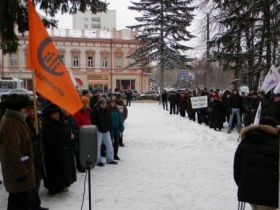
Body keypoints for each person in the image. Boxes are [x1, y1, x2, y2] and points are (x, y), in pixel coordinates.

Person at [234, 116, 279, 210]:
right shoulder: (276, 144)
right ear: (272, 128)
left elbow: (237, 169)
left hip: (248, 192)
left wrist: (245, 184)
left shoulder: (245, 141)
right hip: (268, 196)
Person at [0, 94, 36, 210]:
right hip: (18, 173)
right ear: (19, 108)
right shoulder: (11, 123)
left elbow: (19, 141)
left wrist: (32, 138)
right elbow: (12, 152)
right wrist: (21, 172)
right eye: (24, 107)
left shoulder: (15, 119)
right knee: (18, 202)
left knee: (21, 200)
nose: (26, 110)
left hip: (20, 170)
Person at [42, 104, 76, 195]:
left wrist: (69, 136)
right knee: (55, 171)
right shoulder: (48, 125)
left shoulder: (61, 121)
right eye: (54, 114)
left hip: (64, 150)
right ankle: (55, 188)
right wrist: (61, 146)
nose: (56, 115)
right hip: (54, 152)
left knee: (64, 169)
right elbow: (50, 140)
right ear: (49, 115)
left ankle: (63, 184)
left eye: (57, 113)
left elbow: (65, 131)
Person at [92, 98, 118, 166]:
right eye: (102, 103)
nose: (104, 104)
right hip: (99, 130)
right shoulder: (95, 111)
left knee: (109, 145)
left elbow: (109, 119)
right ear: (99, 104)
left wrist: (108, 127)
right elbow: (94, 121)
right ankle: (98, 161)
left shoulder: (107, 110)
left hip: (106, 130)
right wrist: (97, 127)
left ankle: (110, 159)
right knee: (98, 146)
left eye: (105, 103)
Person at [73, 96, 92, 172]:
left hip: (87, 133)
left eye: (88, 103)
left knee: (86, 150)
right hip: (80, 134)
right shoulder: (77, 112)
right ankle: (80, 166)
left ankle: (86, 164)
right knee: (80, 151)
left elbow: (88, 120)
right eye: (87, 103)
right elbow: (76, 124)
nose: (88, 105)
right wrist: (84, 128)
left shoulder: (87, 111)